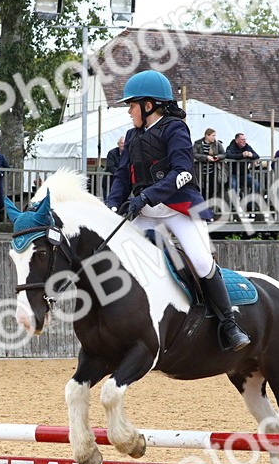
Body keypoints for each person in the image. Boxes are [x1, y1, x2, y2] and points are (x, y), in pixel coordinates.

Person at [106, 69, 250, 351]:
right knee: (117, 254)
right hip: (146, 212)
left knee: (200, 261)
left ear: (149, 106)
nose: (129, 112)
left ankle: (229, 325)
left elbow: (182, 172)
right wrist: (112, 205)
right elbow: (122, 177)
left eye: (132, 106)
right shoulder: (132, 136)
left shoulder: (175, 129)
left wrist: (145, 196)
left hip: (179, 208)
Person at [224, 132, 261, 197]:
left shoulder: (247, 146)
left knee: (256, 184)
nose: (244, 141)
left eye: (245, 139)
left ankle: (250, 204)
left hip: (245, 173)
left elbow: (257, 155)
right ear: (237, 140)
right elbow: (228, 155)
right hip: (233, 174)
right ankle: (234, 205)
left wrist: (251, 154)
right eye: (242, 140)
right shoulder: (230, 147)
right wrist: (242, 155)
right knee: (233, 185)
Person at [191, 128, 223, 199]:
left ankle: (208, 206)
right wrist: (206, 157)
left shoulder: (217, 144)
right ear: (207, 136)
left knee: (212, 188)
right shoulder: (197, 143)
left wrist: (218, 157)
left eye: (215, 135)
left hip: (212, 171)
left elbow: (223, 154)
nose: (214, 137)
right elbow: (194, 153)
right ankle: (202, 205)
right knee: (201, 189)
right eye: (213, 135)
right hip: (200, 171)